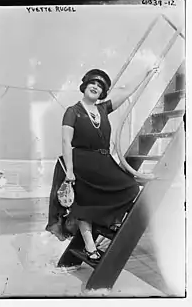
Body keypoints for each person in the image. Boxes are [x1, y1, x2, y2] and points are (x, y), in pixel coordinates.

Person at [46, 68, 157, 261]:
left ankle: (108, 223)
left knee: (130, 188)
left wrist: (146, 73)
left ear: (103, 92)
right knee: (84, 208)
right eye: (93, 83)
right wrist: (70, 171)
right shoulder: (72, 112)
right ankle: (90, 247)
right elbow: (66, 142)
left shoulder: (103, 109)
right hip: (81, 164)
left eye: (100, 86)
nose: (96, 87)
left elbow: (126, 90)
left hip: (104, 162)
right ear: (84, 86)